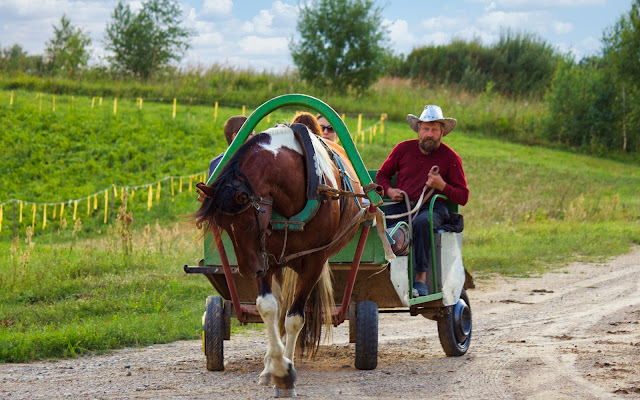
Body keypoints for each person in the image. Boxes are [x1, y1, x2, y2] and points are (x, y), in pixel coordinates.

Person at [376, 105, 469, 296]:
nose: (429, 134)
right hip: (402, 206)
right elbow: (382, 175)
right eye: (426, 129)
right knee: (376, 220)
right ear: (418, 129)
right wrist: (390, 191)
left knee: (421, 223)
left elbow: (463, 196)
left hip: (433, 210)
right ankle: (379, 272)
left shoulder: (451, 158)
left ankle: (420, 279)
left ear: (442, 132)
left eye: (434, 130)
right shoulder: (402, 149)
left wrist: (442, 186)